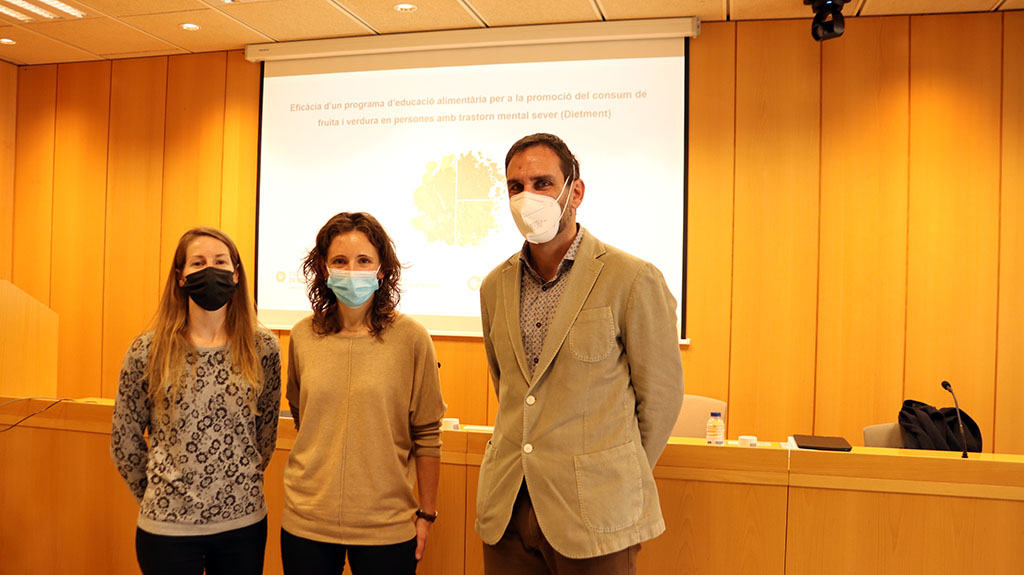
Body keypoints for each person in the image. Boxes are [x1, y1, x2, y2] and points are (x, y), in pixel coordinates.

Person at [475, 133, 684, 574]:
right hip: (508, 511)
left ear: (575, 191)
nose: (528, 197)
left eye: (542, 183)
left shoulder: (632, 278)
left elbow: (661, 399)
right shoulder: (494, 285)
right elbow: (512, 389)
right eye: (516, 187)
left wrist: (614, 475)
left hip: (597, 515)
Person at [281, 212, 446, 575]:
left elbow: (427, 434)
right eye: (340, 261)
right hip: (307, 523)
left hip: (386, 526)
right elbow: (302, 416)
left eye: (364, 261)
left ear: (382, 269)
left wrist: (427, 514)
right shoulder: (302, 336)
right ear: (323, 269)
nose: (352, 271)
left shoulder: (412, 338)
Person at [110, 227, 282, 575]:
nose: (210, 270)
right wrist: (160, 493)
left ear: (236, 273)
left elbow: (264, 436)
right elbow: (124, 440)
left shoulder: (262, 348)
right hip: (167, 530)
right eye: (198, 263)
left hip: (243, 525)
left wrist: (235, 482)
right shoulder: (147, 351)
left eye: (220, 262)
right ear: (181, 276)